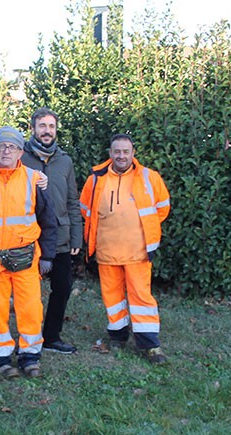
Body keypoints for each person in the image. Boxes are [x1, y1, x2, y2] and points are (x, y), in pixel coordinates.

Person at [79, 133, 171, 364]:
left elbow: (163, 208)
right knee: (113, 298)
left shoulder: (149, 177)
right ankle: (118, 336)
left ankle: (150, 345)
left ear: (133, 154)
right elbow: (84, 209)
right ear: (110, 154)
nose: (121, 156)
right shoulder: (96, 179)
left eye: (125, 152)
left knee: (142, 297)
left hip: (138, 252)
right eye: (117, 151)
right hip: (107, 251)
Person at [0, 126, 57, 378]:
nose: (6, 151)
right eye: (1, 146)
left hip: (25, 257)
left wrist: (48, 255)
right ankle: (0, 357)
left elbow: (48, 218)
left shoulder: (34, 178)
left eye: (11, 147)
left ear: (21, 152)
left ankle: (30, 356)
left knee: (31, 307)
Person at [21, 107, 83, 355]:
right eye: (42, 126)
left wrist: (77, 235)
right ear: (33, 128)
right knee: (29, 293)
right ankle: (29, 338)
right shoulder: (20, 158)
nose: (47, 131)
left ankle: (51, 337)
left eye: (51, 127)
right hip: (30, 237)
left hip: (60, 237)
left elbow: (72, 200)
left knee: (63, 288)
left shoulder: (65, 161)